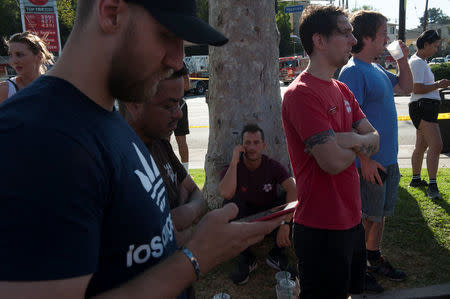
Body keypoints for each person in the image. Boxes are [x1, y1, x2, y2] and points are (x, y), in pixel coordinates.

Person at [0, 1, 283, 298]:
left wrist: (190, 240)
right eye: (166, 35)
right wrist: (196, 258)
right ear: (111, 13)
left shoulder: (108, 116)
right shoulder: (33, 137)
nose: (177, 60)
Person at [282, 5, 381, 298]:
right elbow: (333, 163)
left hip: (352, 221)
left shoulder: (342, 89)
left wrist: (345, 137)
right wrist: (357, 142)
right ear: (319, 40)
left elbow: (375, 139)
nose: (354, 40)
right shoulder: (301, 93)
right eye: (345, 32)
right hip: (320, 228)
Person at [339, 10, 413, 288]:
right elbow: (345, 123)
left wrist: (402, 59)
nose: (388, 38)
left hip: (388, 160)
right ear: (367, 36)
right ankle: (357, 269)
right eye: (383, 33)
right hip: (368, 163)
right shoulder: (354, 71)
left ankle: (373, 257)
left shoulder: (376, 67)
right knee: (366, 218)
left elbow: (405, 87)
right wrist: (364, 160)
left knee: (379, 215)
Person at [119, 67, 205, 298]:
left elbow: (195, 192)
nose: (178, 114)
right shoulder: (114, 159)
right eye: (169, 105)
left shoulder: (160, 142)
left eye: (180, 104)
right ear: (134, 104)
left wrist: (185, 212)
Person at [218, 123, 297, 285]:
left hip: (270, 217)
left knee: (288, 199)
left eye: (256, 142)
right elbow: (225, 193)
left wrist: (285, 222)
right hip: (246, 220)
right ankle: (247, 258)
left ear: (263, 146)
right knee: (230, 202)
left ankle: (276, 254)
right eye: (247, 143)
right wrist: (234, 162)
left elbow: (294, 187)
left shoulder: (272, 165)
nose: (252, 147)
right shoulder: (233, 167)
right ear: (241, 146)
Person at [408, 30, 450, 199]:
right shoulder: (418, 62)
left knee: (421, 146)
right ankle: (432, 185)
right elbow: (417, 88)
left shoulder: (420, 62)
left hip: (424, 106)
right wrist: (438, 84)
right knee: (437, 145)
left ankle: (416, 179)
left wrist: (436, 85)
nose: (436, 50)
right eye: (434, 46)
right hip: (423, 106)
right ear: (425, 45)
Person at [0, 31, 54, 103]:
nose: (13, 61)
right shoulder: (5, 90)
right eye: (10, 55)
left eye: (19, 54)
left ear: (39, 56)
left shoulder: (54, 88)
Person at [173, 64, 191, 172]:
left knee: (180, 140)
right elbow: (187, 86)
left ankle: (185, 171)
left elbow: (187, 86)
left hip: (177, 104)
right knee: (165, 140)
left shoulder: (179, 62)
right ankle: (182, 171)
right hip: (174, 103)